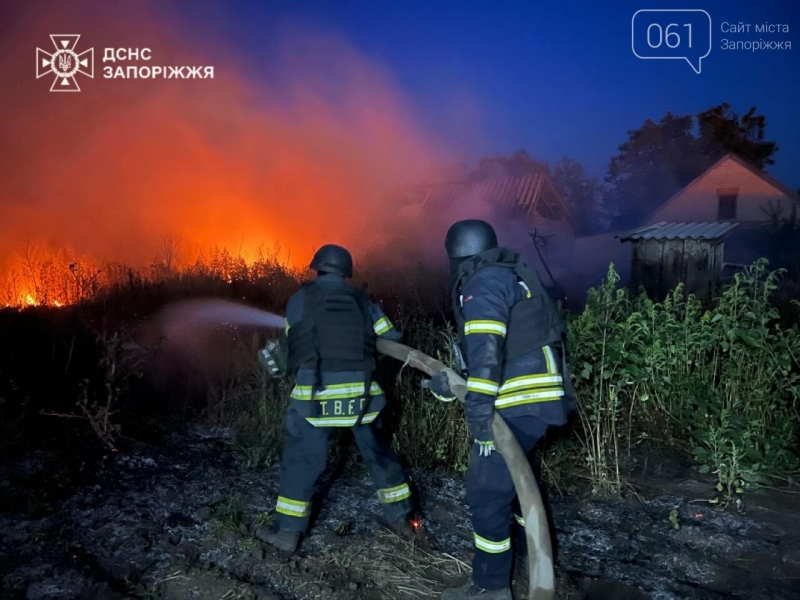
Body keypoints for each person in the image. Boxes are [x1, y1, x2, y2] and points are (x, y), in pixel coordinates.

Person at [428, 220, 574, 600]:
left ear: (457, 255)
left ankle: (491, 587)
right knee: (516, 482)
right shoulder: (507, 274)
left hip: (517, 401)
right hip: (536, 397)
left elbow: (487, 352)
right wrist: (451, 385)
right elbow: (488, 356)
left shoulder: (481, 283)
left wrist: (479, 413)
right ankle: (532, 557)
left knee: (487, 491)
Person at [255, 244, 415, 552]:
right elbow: (392, 340)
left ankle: (288, 533)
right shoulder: (363, 301)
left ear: (317, 268)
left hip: (316, 398)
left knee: (302, 462)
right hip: (363, 400)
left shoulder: (301, 299)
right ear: (346, 271)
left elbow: (294, 346)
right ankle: (402, 520)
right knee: (381, 457)